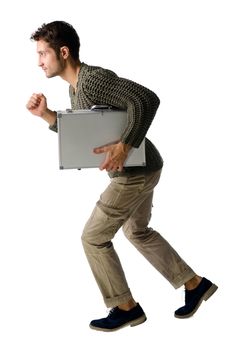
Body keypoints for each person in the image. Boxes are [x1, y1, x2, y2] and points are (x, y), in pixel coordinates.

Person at [26, 21, 218, 332]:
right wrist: (47, 116)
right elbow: (85, 135)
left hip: (134, 175)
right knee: (137, 232)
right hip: (143, 169)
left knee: (93, 237)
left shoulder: (94, 80)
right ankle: (194, 284)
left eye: (43, 53)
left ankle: (125, 306)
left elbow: (146, 99)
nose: (39, 62)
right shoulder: (75, 88)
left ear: (64, 52)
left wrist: (125, 144)